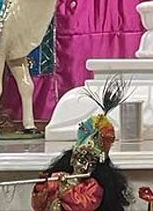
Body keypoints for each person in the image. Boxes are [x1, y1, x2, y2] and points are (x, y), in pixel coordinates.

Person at [31, 77, 130, 211]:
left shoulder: (92, 187)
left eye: (90, 162)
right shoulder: (57, 177)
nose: (84, 165)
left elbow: (83, 205)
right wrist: (41, 188)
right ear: (72, 158)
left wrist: (64, 187)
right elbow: (38, 205)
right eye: (81, 159)